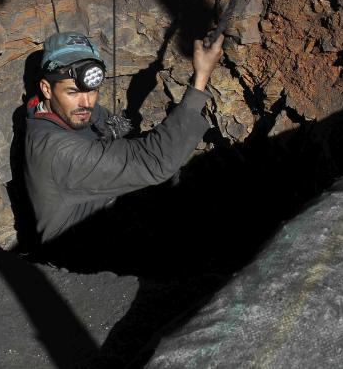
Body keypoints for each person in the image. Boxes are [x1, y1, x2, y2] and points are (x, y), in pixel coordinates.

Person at [24, 31, 224, 242]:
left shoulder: (64, 111)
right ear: (46, 89)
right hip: (77, 249)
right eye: (72, 92)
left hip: (101, 208)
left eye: (92, 91)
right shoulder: (56, 151)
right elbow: (154, 161)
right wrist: (201, 77)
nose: (86, 103)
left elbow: (124, 134)